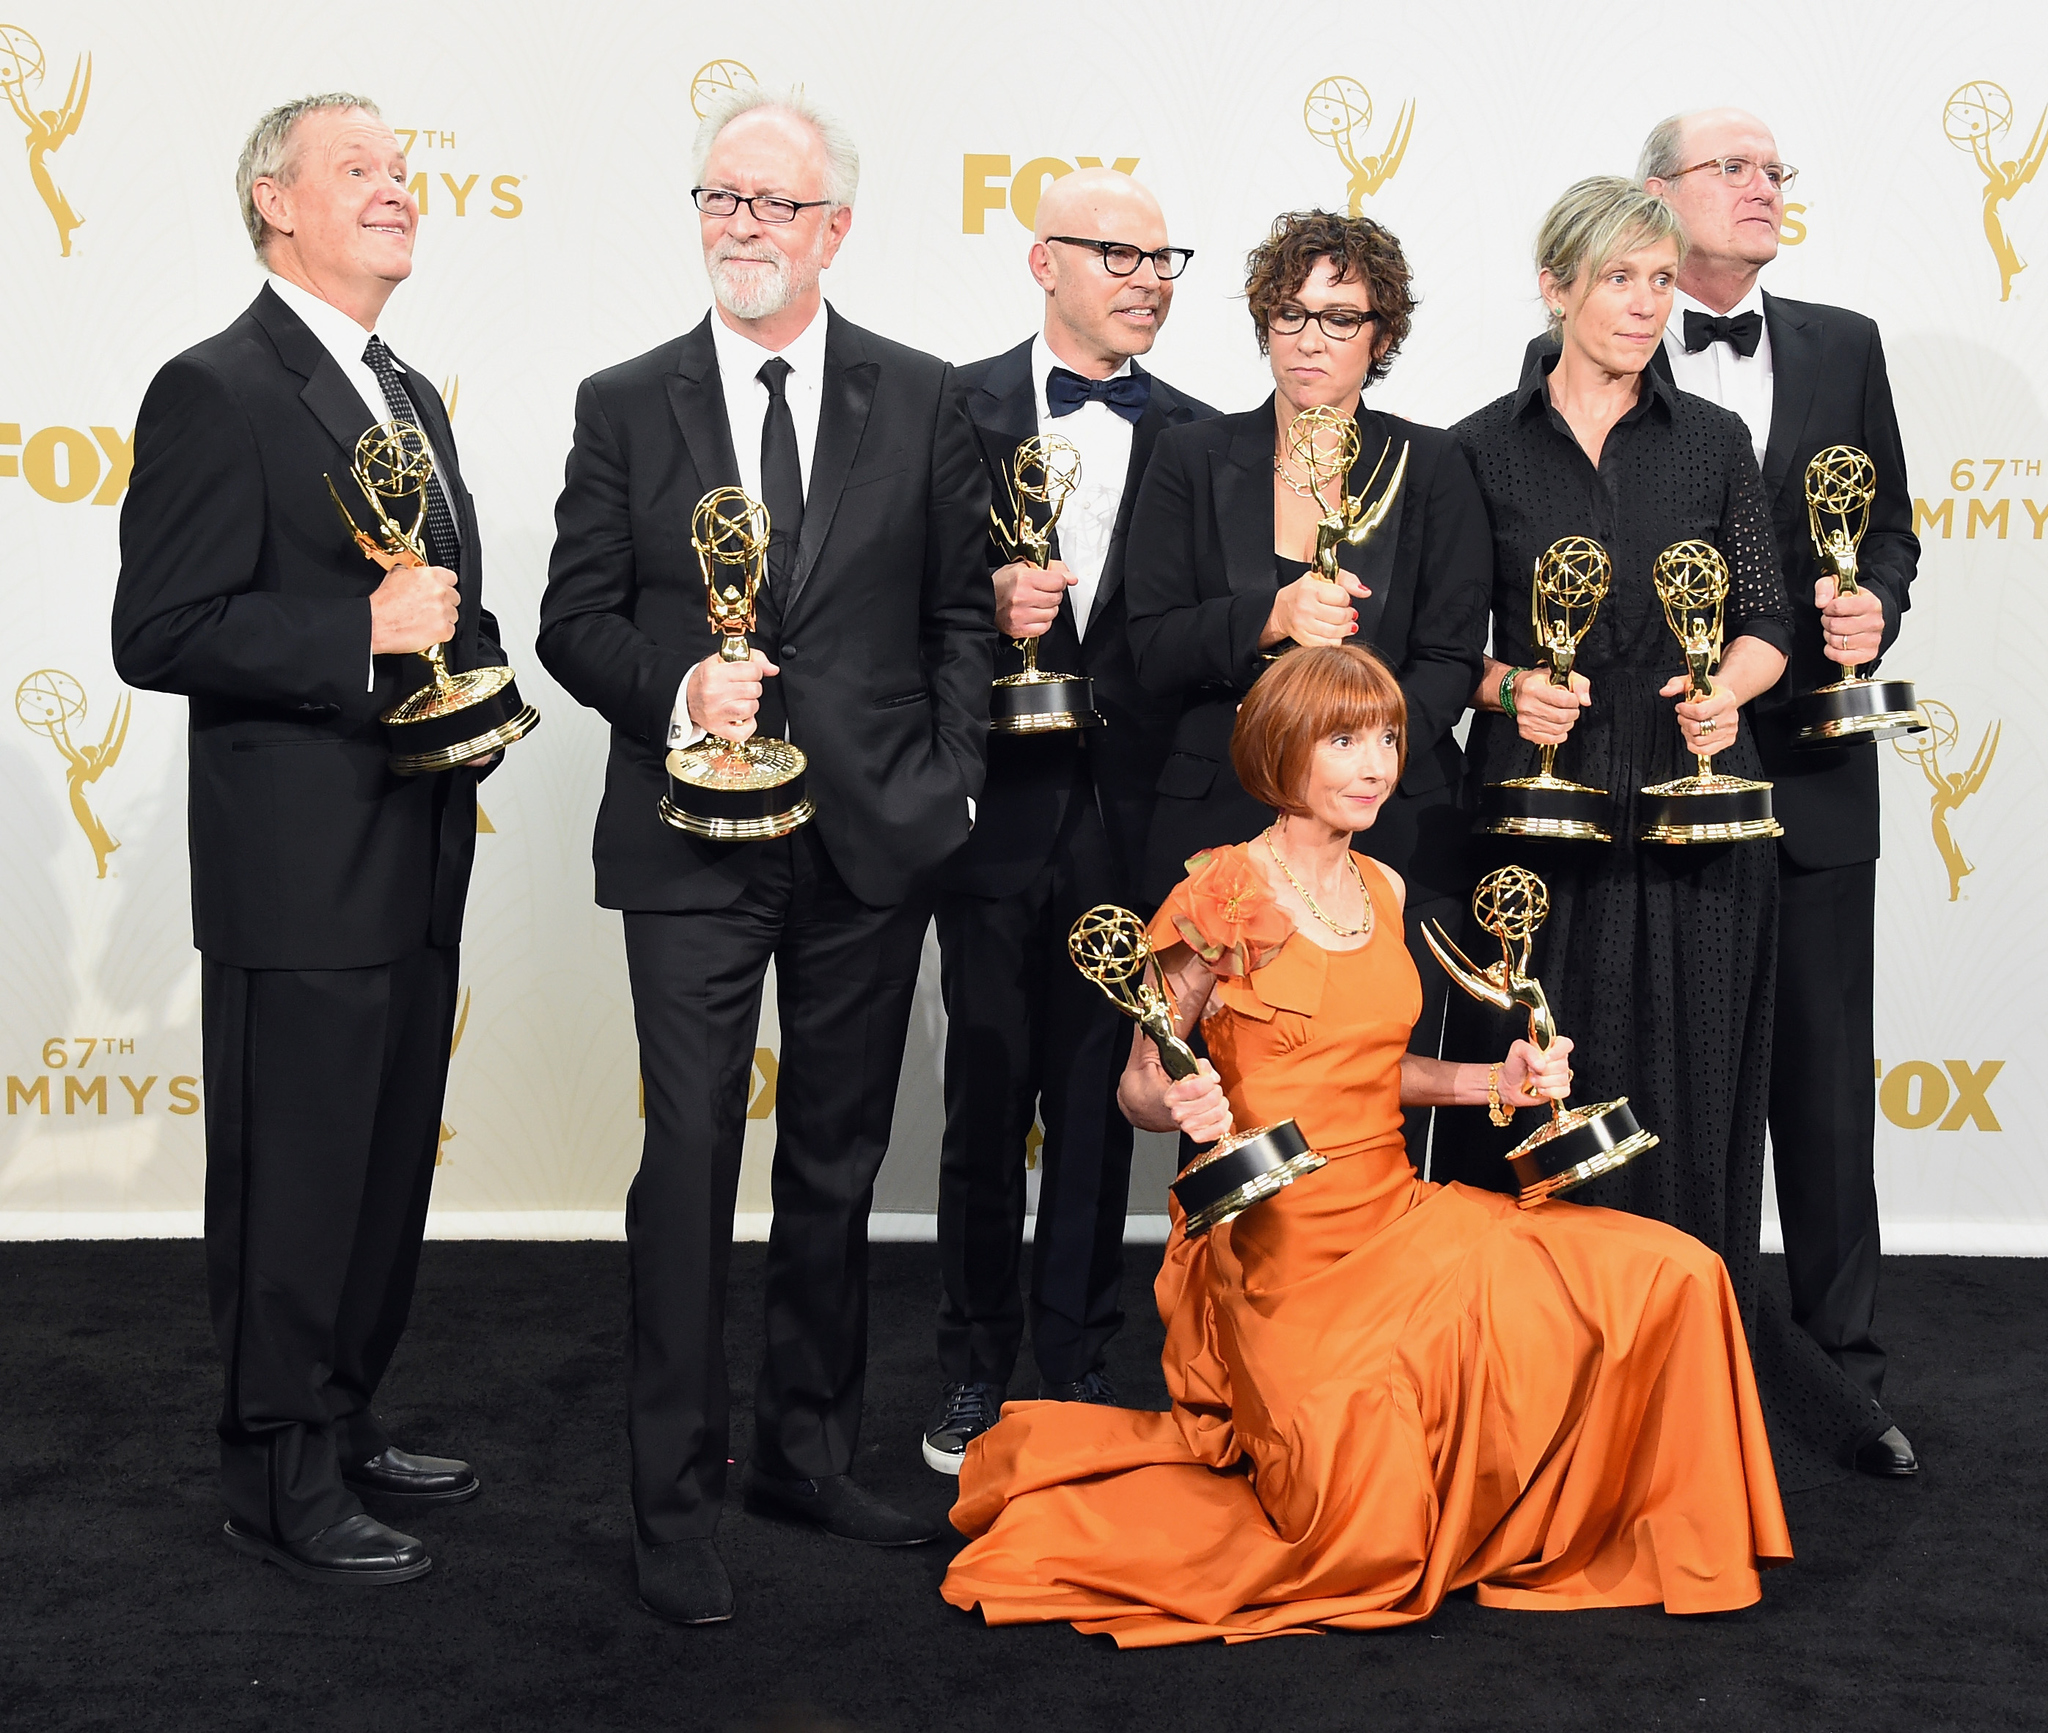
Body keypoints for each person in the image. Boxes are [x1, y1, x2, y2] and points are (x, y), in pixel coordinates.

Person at [941, 645, 1791, 1643]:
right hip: (1279, 1257)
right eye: (1343, 739)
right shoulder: (1219, 893)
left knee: (1670, 1270)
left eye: (1386, 738)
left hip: (1400, 1216)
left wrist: (1490, 1083)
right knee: (1359, 1538)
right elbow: (1135, 1083)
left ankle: (1650, 1537)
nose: (1374, 763)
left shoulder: (1382, 887)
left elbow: (1363, 1069)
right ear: (1281, 747)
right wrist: (1182, 1101)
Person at [537, 88, 992, 1626]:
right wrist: (679, 687)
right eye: (720, 199)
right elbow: (572, 617)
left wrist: (945, 787)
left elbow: (957, 618)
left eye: (771, 205)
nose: (739, 227)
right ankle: (675, 1501)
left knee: (836, 1162)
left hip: (870, 837)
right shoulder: (623, 399)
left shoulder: (925, 398)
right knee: (688, 1163)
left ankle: (807, 1452)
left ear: (835, 230)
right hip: (690, 838)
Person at [1445, 176, 1888, 1487]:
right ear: (1557, 286)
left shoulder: (1713, 447)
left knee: (1691, 1105)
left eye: (1659, 281)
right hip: (1537, 818)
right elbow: (1437, 642)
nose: (1646, 304)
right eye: (1621, 280)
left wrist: (1730, 692)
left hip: (1700, 821)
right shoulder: (1476, 448)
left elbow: (1767, 617)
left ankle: (1688, 1410)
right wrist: (1502, 685)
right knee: (1543, 1098)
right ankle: (1527, 1403)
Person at [112, 94, 499, 1584]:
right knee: (295, 1178)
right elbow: (159, 628)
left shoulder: (404, 385)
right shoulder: (217, 385)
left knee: (388, 1162)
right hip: (297, 870)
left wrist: (472, 679)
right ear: (276, 204)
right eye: (361, 171)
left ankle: (344, 1411)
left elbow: (446, 596)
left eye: (403, 170)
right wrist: (358, 630)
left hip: (415, 841)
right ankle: (272, 1472)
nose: (400, 191)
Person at [1640, 108, 1921, 1480]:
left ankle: (1842, 1382)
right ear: (1657, 196)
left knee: (1819, 1088)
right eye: (1731, 169)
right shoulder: (1595, 344)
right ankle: (1674, 1370)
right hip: (1660, 767)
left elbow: (1890, 531)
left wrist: (1876, 605)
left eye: (1773, 172)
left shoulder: (1843, 345)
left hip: (1812, 767)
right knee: (1668, 1076)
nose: (1762, 188)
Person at [924, 169, 1216, 1474]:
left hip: (1138, 823)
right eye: (1121, 254)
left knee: (1106, 1105)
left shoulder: (1211, 438)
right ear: (1044, 262)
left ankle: (1082, 1359)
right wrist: (983, 608)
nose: (1150, 278)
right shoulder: (947, 410)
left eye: (1166, 259)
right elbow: (893, 596)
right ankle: (976, 1366)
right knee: (986, 1095)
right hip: (989, 814)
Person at [1123, 209, 1489, 1161]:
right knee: (1221, 1091)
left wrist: (1353, 751)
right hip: (1218, 814)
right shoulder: (1193, 455)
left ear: (1382, 335)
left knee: (1379, 1082)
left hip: (1389, 819)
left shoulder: (1433, 463)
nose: (1310, 340)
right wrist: (1268, 617)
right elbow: (1149, 646)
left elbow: (1451, 659)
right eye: (1289, 315)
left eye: (1339, 317)